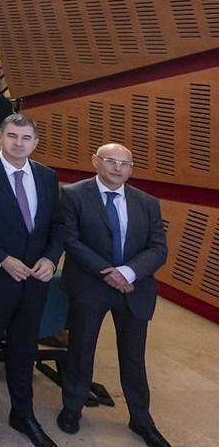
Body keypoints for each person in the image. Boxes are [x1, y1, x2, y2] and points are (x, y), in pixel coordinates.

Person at [0, 114, 62, 447]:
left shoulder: (47, 176)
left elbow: (58, 226)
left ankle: (23, 414)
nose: (19, 143)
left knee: (24, 349)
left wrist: (50, 258)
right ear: (0, 137)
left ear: (35, 142)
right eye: (13, 136)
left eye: (26, 138)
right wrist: (2, 259)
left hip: (35, 279)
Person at [56, 144, 169, 447]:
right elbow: (71, 240)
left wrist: (129, 273)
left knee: (133, 356)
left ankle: (140, 418)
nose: (118, 168)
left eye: (125, 163)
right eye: (110, 161)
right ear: (95, 161)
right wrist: (109, 272)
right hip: (89, 286)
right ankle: (72, 407)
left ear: (131, 169)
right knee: (81, 350)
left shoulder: (147, 202)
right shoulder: (73, 195)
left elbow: (158, 248)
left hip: (135, 289)